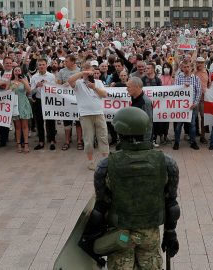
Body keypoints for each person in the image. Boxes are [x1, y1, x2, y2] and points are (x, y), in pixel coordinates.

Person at [79, 107, 180, 270]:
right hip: (150, 234)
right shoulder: (167, 163)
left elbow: (100, 208)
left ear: (119, 132)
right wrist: (171, 233)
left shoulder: (105, 166)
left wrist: (90, 239)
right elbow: (172, 205)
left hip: (120, 237)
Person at [68, 64, 108, 170]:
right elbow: (70, 80)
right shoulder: (78, 83)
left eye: (91, 71)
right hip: (85, 115)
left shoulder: (98, 82)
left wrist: (94, 87)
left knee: (103, 137)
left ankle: (105, 161)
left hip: (99, 113)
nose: (89, 73)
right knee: (88, 139)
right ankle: (90, 162)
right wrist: (82, 74)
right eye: (87, 71)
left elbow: (104, 94)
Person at [56, 55, 83, 151]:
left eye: (66, 61)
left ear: (72, 62)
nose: (64, 63)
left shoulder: (80, 71)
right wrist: (63, 85)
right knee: (67, 121)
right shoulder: (61, 71)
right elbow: (58, 85)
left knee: (79, 121)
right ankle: (67, 141)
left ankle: (79, 141)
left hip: (78, 100)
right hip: (66, 101)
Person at [173, 59, 201, 150]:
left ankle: (193, 142)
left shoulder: (195, 78)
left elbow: (199, 91)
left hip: (192, 106)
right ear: (181, 68)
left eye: (188, 66)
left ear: (191, 67)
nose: (186, 68)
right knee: (178, 126)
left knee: (192, 125)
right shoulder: (178, 78)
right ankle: (176, 142)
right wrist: (182, 87)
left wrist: (196, 103)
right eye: (184, 67)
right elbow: (175, 90)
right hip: (181, 107)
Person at [30, 58, 57, 150]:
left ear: (46, 65)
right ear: (37, 66)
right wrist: (36, 86)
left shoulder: (51, 76)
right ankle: (41, 141)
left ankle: (52, 140)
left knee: (50, 121)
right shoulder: (34, 77)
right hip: (38, 100)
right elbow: (31, 92)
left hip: (49, 100)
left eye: (43, 64)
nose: (41, 66)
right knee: (39, 122)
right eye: (40, 65)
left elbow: (55, 89)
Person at [8, 67, 33, 153]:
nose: (17, 72)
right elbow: (7, 92)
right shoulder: (10, 81)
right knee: (17, 127)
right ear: (13, 72)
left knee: (25, 126)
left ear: (21, 72)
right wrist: (11, 88)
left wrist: (23, 82)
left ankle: (26, 144)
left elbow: (29, 91)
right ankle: (18, 144)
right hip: (15, 105)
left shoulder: (24, 80)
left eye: (19, 70)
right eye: (15, 70)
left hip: (24, 103)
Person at [126, 77, 153, 143]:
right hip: (135, 135)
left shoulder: (145, 102)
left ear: (137, 87)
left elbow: (148, 123)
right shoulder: (134, 97)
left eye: (128, 87)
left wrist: (146, 141)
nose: (126, 89)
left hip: (142, 139)